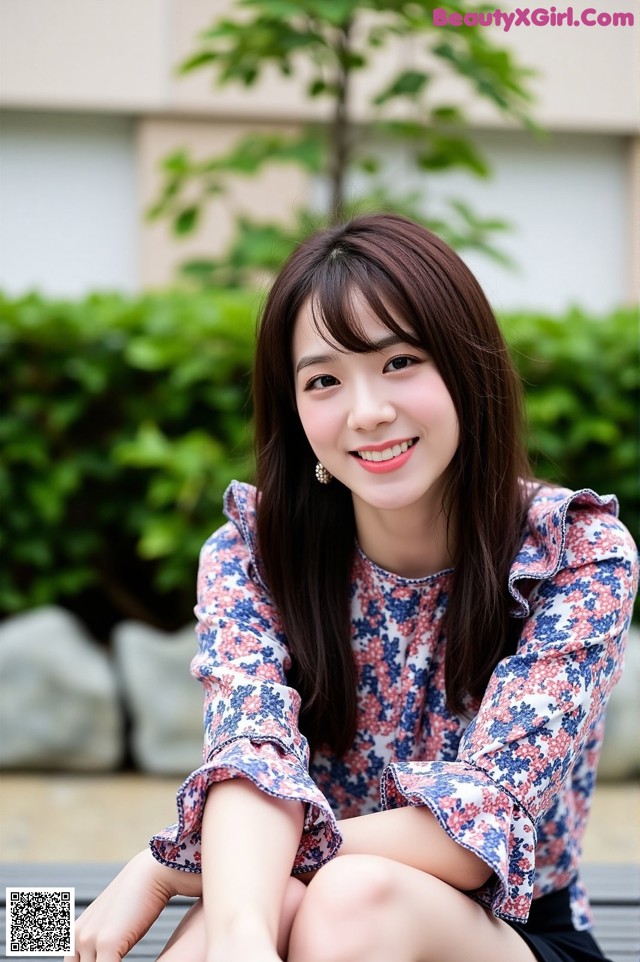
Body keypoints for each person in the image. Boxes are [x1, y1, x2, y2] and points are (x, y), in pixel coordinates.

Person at [67, 214, 638, 962]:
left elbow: (473, 833)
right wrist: (239, 924)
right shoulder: (253, 552)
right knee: (254, 911)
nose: (367, 412)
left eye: (400, 361)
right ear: (296, 410)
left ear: (469, 368)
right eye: (324, 380)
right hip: (293, 900)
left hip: (510, 932)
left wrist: (172, 863)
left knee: (345, 896)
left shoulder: (576, 555)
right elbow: (252, 756)